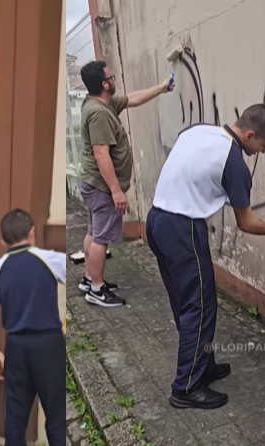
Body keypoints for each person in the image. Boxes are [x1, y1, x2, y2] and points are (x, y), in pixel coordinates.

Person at [146, 104, 265, 410]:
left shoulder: (200, 130)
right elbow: (246, 222)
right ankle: (186, 387)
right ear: (250, 134)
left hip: (157, 219)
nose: (262, 152)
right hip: (182, 227)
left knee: (184, 301)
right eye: (263, 146)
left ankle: (202, 364)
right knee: (200, 306)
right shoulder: (235, 164)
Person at [0, 209, 66, 446]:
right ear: (32, 232)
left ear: (3, 240)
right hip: (50, 344)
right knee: (55, 415)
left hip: (16, 345)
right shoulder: (51, 259)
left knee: (15, 414)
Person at [78, 60, 174, 307]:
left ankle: (89, 279)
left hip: (93, 184)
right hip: (101, 187)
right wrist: (116, 191)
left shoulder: (101, 104)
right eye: (110, 77)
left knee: (93, 232)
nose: (114, 80)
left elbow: (132, 98)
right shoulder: (98, 113)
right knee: (101, 237)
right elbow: (101, 154)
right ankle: (97, 290)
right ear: (103, 83)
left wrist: (162, 88)